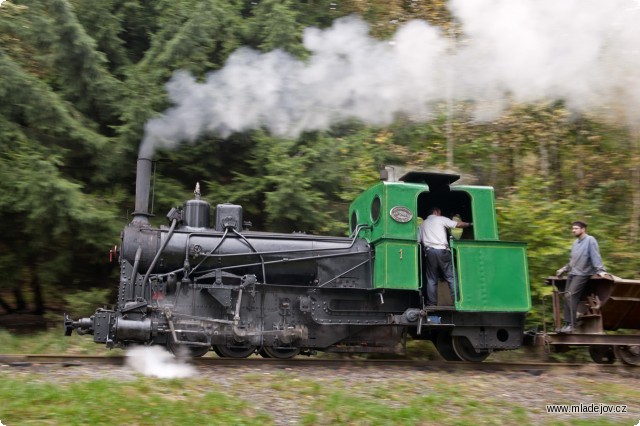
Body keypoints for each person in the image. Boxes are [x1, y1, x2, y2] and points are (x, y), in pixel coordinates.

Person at [555, 221, 607, 333]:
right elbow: (573, 261)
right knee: (566, 296)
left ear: (583, 229)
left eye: (576, 228)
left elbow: (595, 255)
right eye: (573, 228)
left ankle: (573, 324)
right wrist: (563, 269)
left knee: (570, 296)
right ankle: (567, 324)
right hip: (572, 272)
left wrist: (600, 270)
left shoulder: (590, 240)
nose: (573, 230)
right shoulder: (575, 243)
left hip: (583, 273)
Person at [418, 207, 472, 306]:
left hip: (429, 252)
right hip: (442, 250)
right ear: (436, 211)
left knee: (431, 279)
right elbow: (458, 224)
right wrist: (470, 224)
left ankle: (432, 304)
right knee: (451, 277)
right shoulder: (441, 219)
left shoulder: (422, 224)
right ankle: (457, 301)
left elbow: (418, 241)